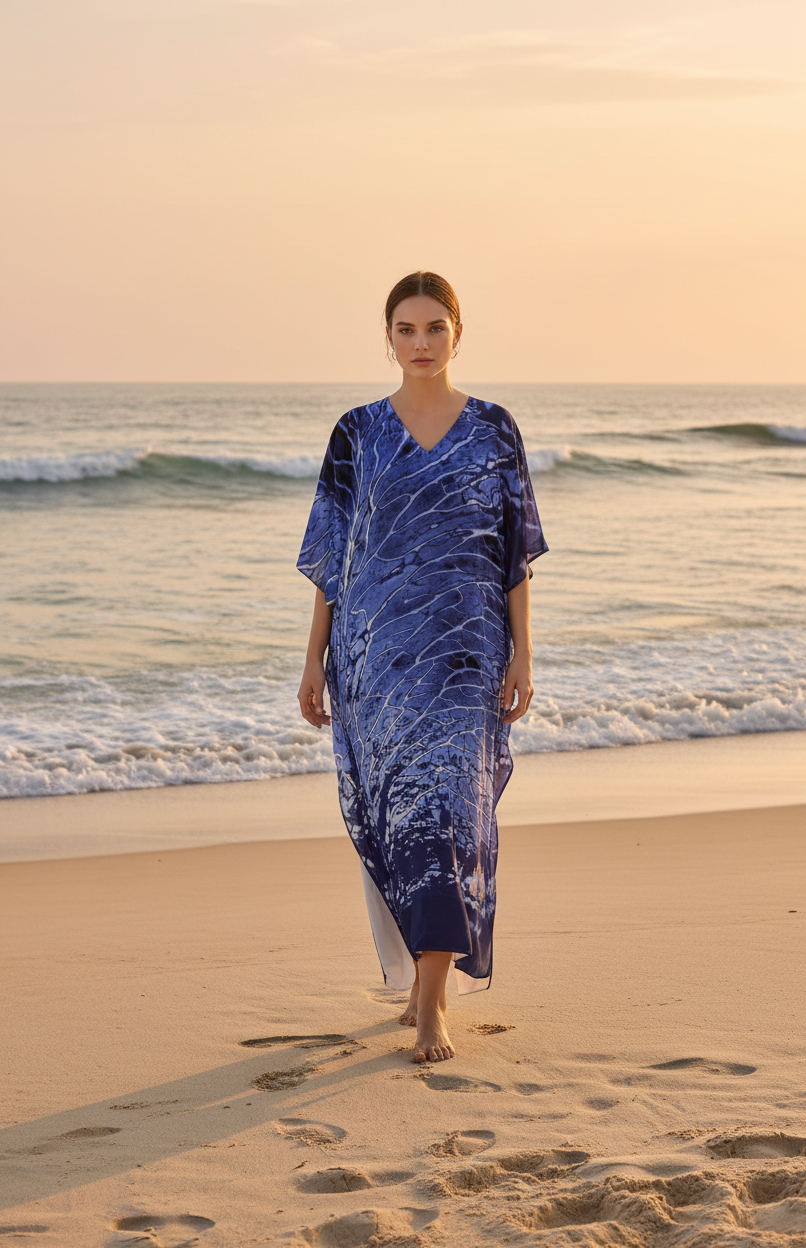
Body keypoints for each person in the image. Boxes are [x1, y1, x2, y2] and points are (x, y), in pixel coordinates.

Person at [296, 271, 547, 1064]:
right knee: (396, 818)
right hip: (374, 661)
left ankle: (434, 1003)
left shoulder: (494, 430)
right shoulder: (356, 433)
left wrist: (523, 653)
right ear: (388, 337)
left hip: (468, 656)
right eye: (406, 329)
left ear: (458, 333)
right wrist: (312, 662)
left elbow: (514, 560)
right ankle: (417, 983)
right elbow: (333, 560)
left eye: (434, 328)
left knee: (451, 817)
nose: (420, 344)